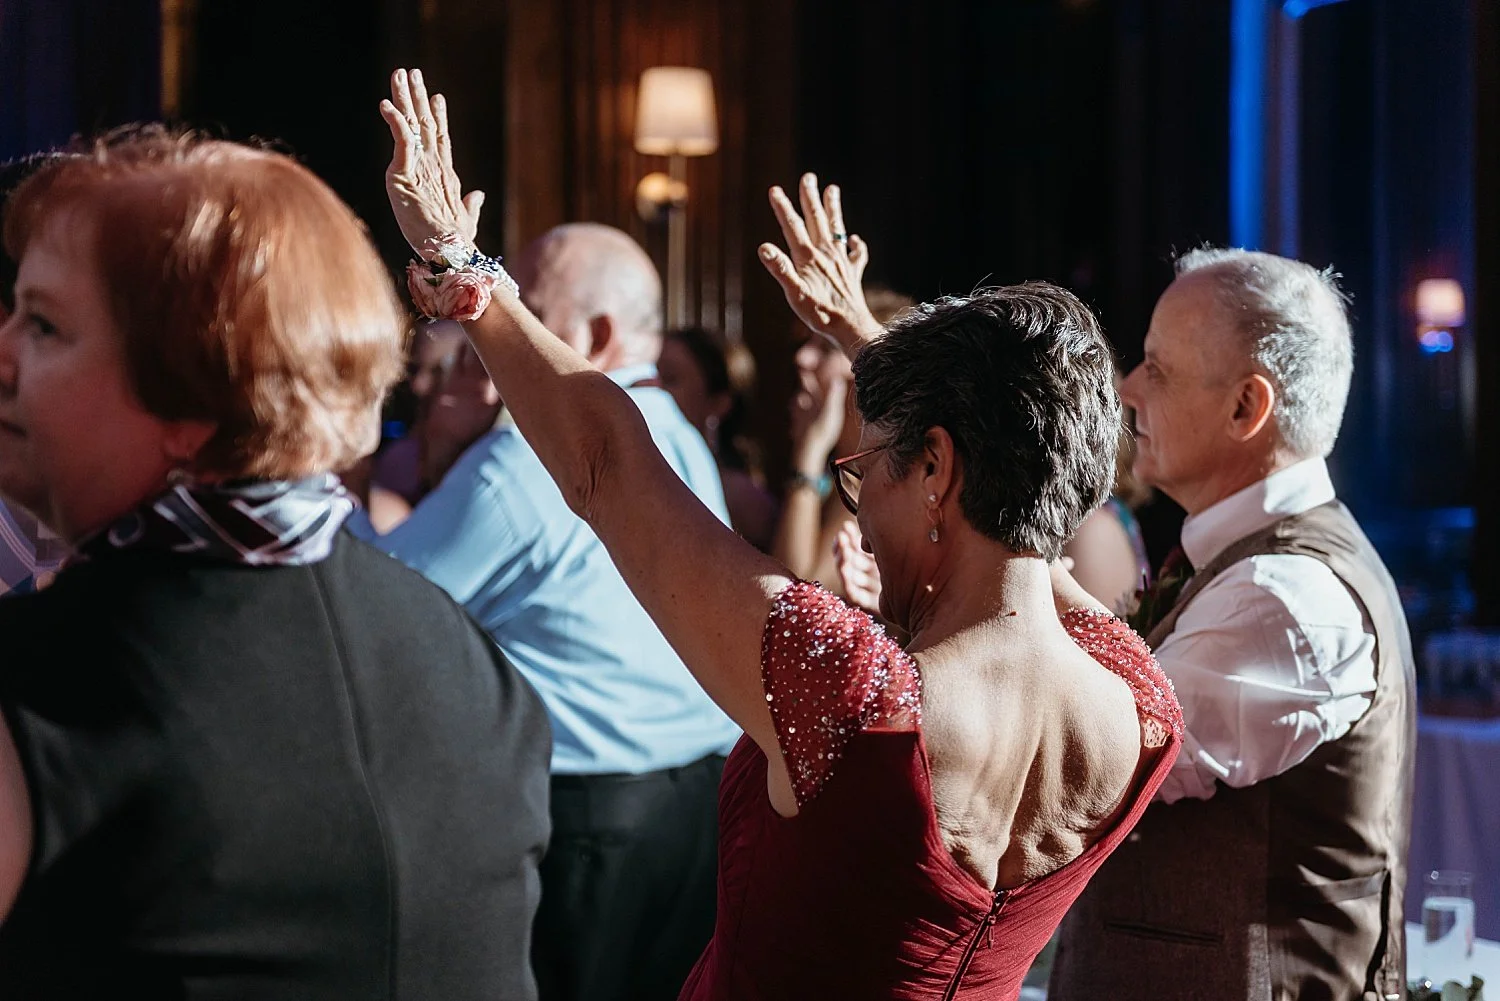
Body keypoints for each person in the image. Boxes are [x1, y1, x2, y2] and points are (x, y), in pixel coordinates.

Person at [379, 68, 1181, 1000]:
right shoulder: (1139, 702)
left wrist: (463, 269)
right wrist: (871, 345)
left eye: (867, 469)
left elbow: (606, 462)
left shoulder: (857, 692)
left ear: (936, 469)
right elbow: (1021, 482)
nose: (860, 508)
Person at [0, 128, 551, 998]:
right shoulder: (466, 655)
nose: (3, 353)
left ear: (192, 395)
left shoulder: (48, 680)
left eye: (42, 324)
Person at [350, 216, 739, 1001]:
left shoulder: (529, 458)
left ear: (596, 334)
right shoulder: (676, 432)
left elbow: (375, 607)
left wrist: (350, 474)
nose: (489, 324)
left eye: (523, 305)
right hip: (702, 807)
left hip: (593, 821)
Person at [1049, 248, 1416, 1001]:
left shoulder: (1284, 598)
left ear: (1247, 408)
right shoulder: (1245, 566)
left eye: (1158, 369)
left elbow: (1097, 761)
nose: (1128, 388)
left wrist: (1013, 550)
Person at [772, 286, 912, 593]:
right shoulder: (847, 469)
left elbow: (796, 596)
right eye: (806, 343)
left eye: (826, 348)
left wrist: (809, 452)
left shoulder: (885, 473)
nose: (802, 358)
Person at [658, 326, 779, 550]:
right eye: (651, 376)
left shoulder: (741, 496)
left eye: (670, 379)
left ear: (718, 403)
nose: (654, 389)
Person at [371, 317, 468, 504]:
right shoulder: (400, 457)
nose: (418, 386)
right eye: (413, 369)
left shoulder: (495, 454)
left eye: (437, 372)